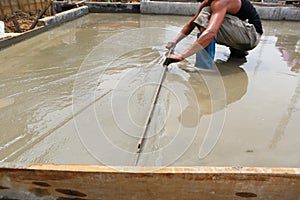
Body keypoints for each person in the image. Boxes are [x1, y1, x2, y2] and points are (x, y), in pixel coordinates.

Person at [164, 0, 263, 66]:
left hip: (251, 37)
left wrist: (182, 56)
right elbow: (191, 24)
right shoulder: (209, 2)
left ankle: (204, 65)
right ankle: (238, 52)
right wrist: (174, 42)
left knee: (206, 15)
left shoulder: (220, 2)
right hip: (243, 36)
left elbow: (210, 33)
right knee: (206, 13)